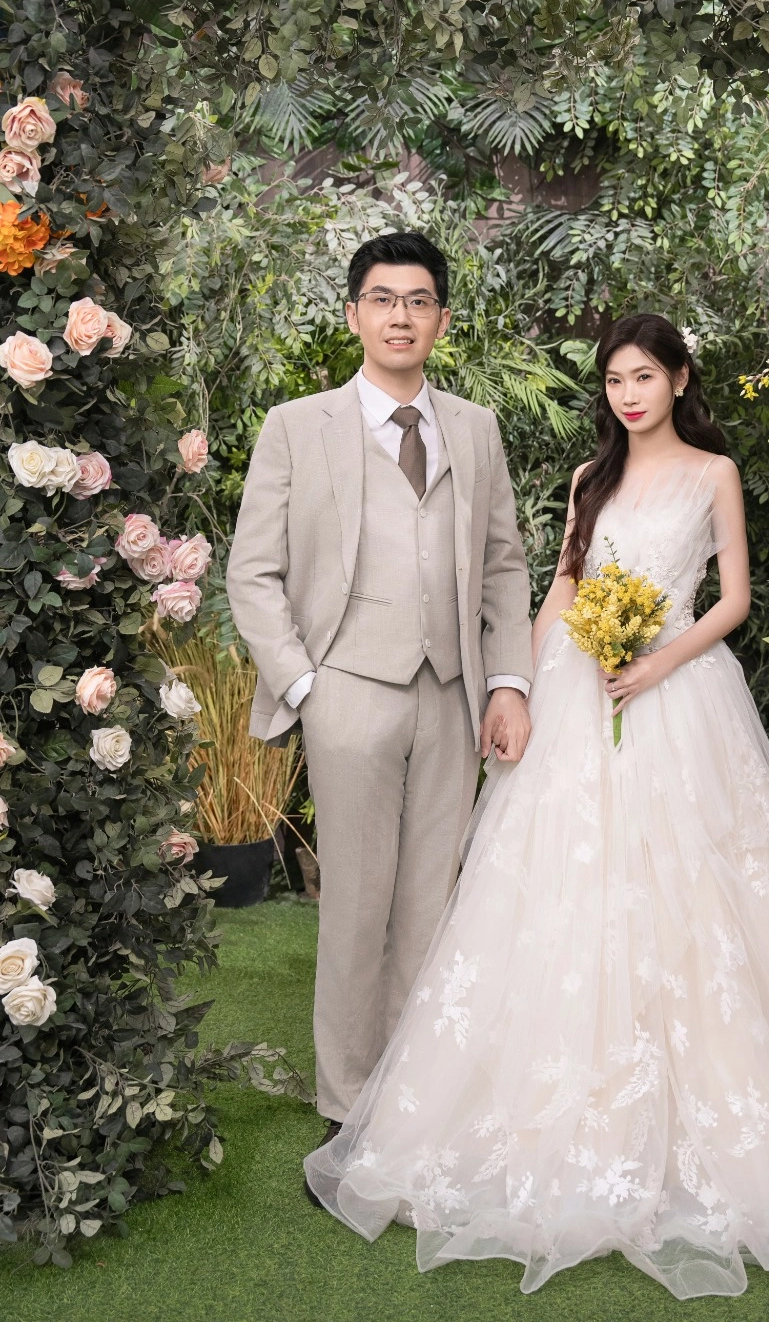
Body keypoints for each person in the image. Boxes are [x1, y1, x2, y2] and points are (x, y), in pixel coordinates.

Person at [304, 313, 769, 1298]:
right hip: (579, 700)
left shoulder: (714, 474)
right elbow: (559, 592)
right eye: (616, 380)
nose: (628, 395)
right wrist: (518, 691)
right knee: (559, 895)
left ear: (679, 379)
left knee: (696, 898)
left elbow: (734, 600)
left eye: (645, 378)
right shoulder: (591, 478)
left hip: (681, 697)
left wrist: (658, 661)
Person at [226, 231, 533, 1163]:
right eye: (384, 299)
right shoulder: (297, 426)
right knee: (357, 903)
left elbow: (504, 566)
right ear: (355, 314)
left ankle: (414, 1092)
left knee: (431, 904)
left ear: (442, 318)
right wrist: (306, 684)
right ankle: (349, 1099)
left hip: (454, 693)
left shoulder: (475, 427)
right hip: (348, 689)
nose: (402, 316)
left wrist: (509, 681)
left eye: (419, 300)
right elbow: (252, 573)